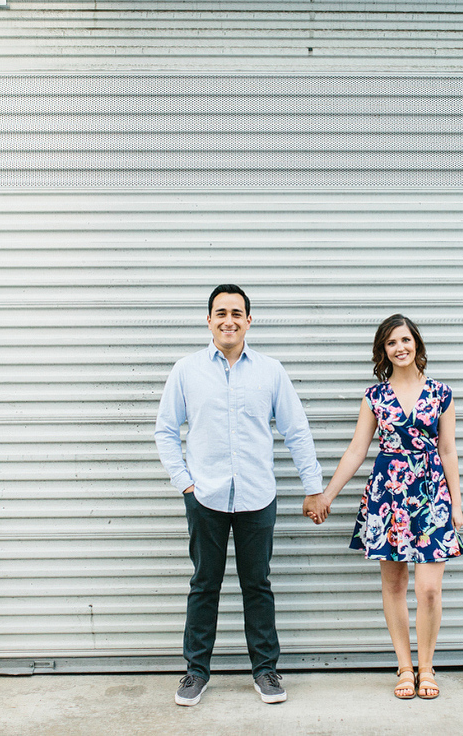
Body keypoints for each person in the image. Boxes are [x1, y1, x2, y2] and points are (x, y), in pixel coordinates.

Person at [156, 284, 326, 707]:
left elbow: (296, 430)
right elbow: (165, 429)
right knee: (203, 585)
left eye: (236, 312)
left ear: (249, 319)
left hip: (257, 496)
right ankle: (195, 672)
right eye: (220, 312)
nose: (228, 319)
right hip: (205, 497)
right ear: (208, 320)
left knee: (258, 585)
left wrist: (314, 486)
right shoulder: (186, 370)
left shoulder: (270, 371)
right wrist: (185, 483)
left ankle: (265, 670)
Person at [309, 314, 463, 700]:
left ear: (417, 345)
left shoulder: (441, 393)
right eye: (392, 342)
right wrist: (327, 495)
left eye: (406, 340)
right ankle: (405, 667)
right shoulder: (375, 396)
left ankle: (427, 666)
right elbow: (357, 450)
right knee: (394, 584)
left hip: (431, 496)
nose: (401, 347)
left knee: (428, 589)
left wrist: (456, 505)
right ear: (384, 350)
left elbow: (448, 450)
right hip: (388, 495)